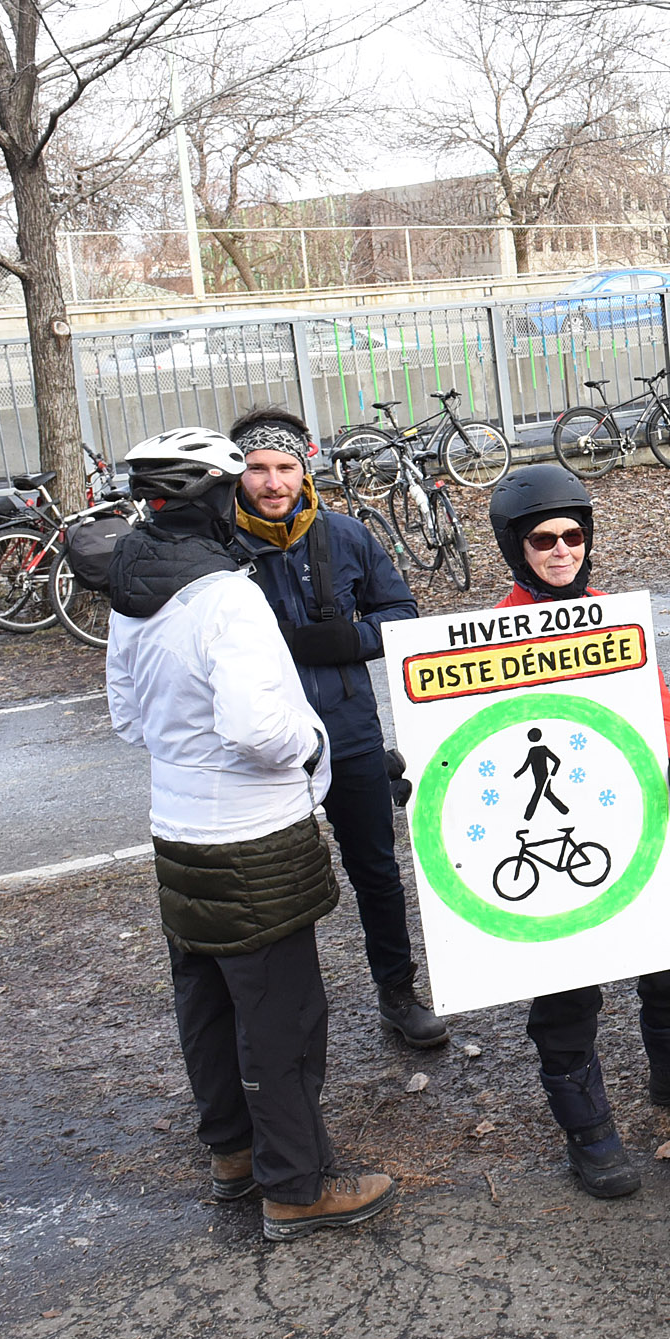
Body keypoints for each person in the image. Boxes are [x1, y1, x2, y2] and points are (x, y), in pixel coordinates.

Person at [104, 426, 396, 1241]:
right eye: (236, 486)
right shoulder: (227, 595)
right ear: (211, 498)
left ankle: (233, 1153)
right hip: (252, 834)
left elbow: (127, 717)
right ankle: (296, 1185)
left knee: (205, 999)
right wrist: (311, 746)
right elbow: (259, 730)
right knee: (282, 1014)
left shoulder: (136, 585)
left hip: (178, 827)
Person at [483, 465, 670, 1199]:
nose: (561, 550)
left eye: (574, 536)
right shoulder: (490, 636)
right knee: (567, 993)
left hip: (628, 816)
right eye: (543, 539)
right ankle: (587, 1128)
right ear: (516, 548)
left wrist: (666, 755)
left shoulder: (610, 616)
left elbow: (653, 699)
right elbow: (468, 735)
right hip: (550, 821)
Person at [225, 408, 445, 1050]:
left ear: (305, 470)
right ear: (238, 475)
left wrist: (348, 638)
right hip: (261, 750)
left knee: (376, 871)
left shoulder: (346, 535)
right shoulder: (217, 550)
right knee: (273, 889)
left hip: (348, 737)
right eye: (257, 469)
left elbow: (400, 613)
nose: (272, 482)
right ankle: (277, 1016)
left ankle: (398, 994)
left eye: (285, 467)